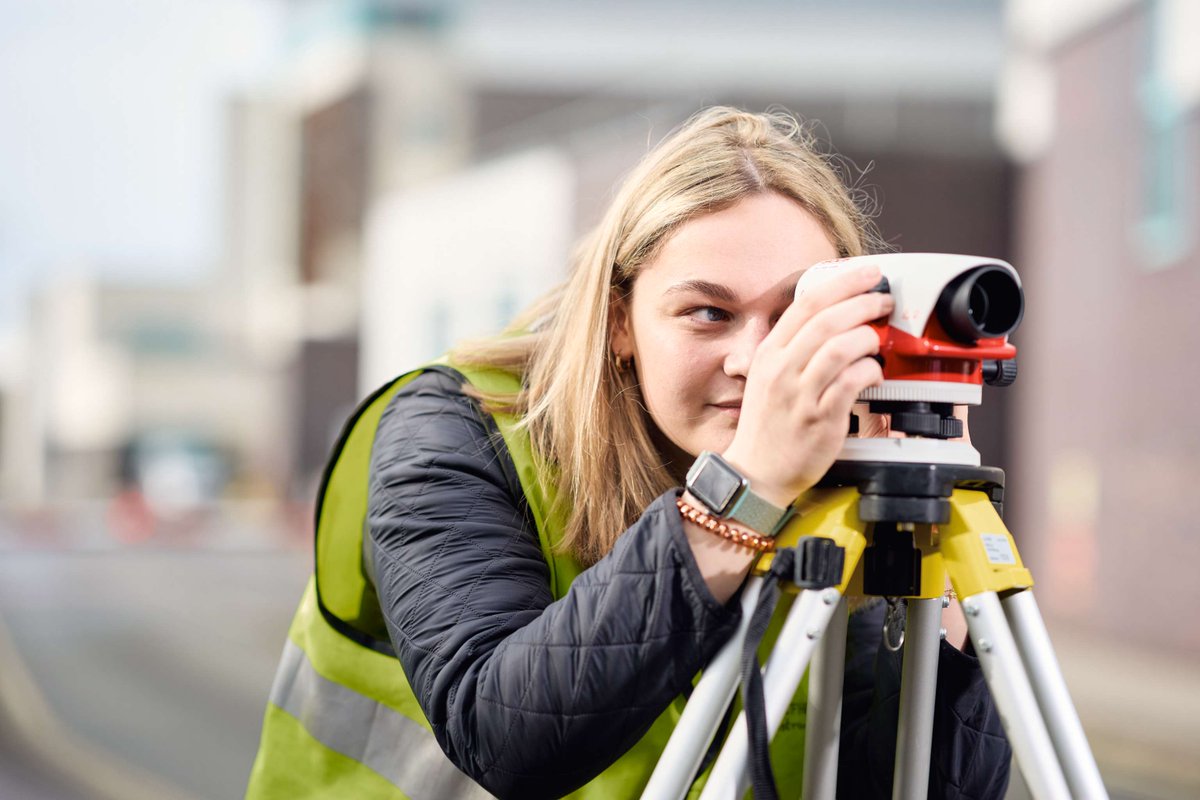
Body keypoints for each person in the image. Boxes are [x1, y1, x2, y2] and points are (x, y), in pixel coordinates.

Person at [246, 107, 1011, 799]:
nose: (754, 358)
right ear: (620, 321)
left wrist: (927, 538)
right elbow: (505, 739)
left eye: (792, 314)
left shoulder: (838, 472)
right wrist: (747, 489)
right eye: (708, 313)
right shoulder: (452, 430)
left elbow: (925, 788)